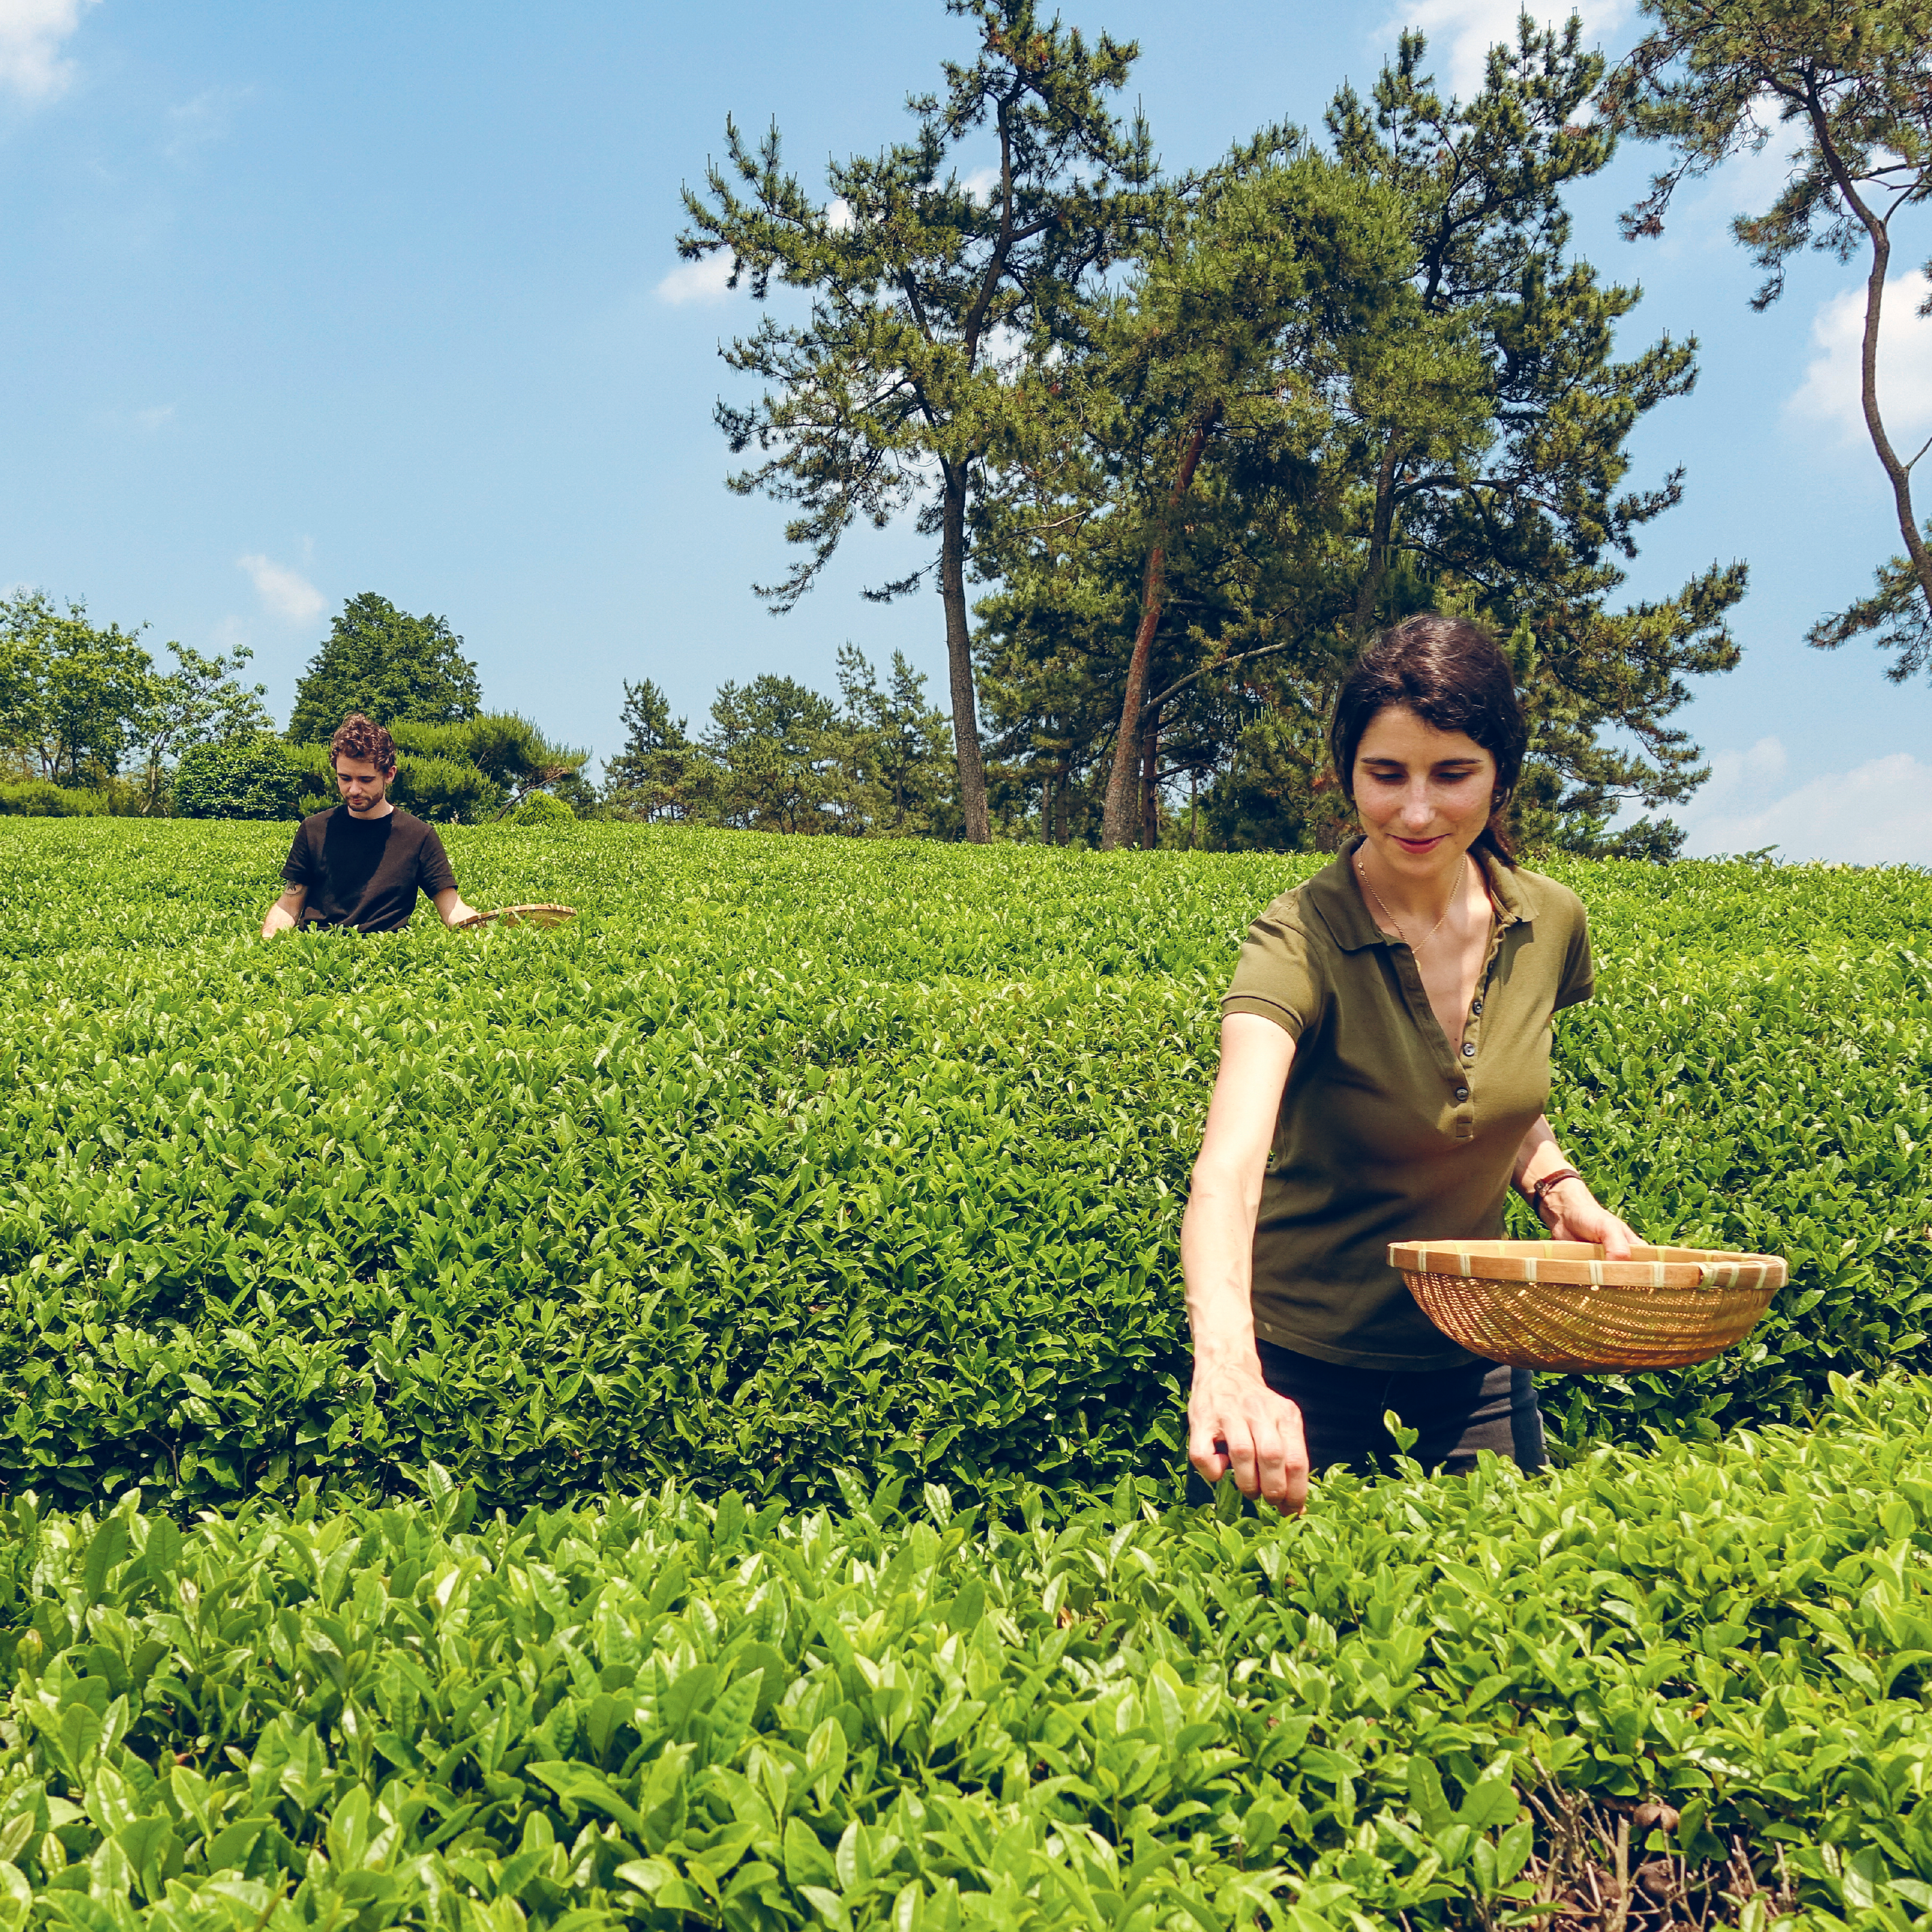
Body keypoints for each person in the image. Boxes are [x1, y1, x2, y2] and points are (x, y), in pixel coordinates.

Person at [1184, 614, 1638, 1514]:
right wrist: (1229, 1364)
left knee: (1507, 1597)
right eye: (1386, 774)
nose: (1418, 811)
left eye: (1453, 774)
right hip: (1299, 1379)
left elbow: (1481, 1085)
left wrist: (1559, 1190)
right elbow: (1228, 1169)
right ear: (1348, 773)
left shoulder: (1551, 923)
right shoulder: (1297, 940)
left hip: (1479, 1365)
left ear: (1502, 774)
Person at [261, 713, 480, 936]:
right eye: (345, 778)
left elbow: (452, 908)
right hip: (318, 948)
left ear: (389, 775)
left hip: (383, 952)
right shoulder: (313, 830)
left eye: (366, 780)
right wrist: (268, 940)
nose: (354, 790)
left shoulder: (419, 836)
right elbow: (289, 904)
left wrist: (486, 932)